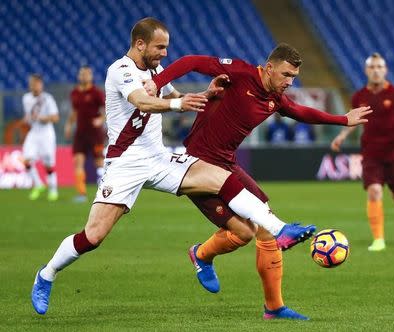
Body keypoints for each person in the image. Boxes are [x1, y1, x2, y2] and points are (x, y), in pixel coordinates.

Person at [30, 18, 317, 316]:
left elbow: (172, 96)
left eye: (166, 47)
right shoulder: (120, 70)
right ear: (140, 44)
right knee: (93, 236)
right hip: (125, 163)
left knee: (221, 177)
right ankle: (46, 274)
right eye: (160, 47)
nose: (165, 54)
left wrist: (205, 95)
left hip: (159, 158)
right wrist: (177, 106)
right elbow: (143, 101)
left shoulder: (155, 71)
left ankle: (279, 228)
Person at [149, 43, 372, 320]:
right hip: (198, 166)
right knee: (244, 233)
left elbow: (300, 112)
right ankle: (201, 255)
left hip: (228, 164)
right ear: (269, 68)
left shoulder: (275, 98)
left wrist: (342, 120)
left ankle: (274, 307)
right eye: (285, 75)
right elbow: (193, 60)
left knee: (264, 225)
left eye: (293, 77)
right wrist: (156, 83)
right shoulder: (240, 73)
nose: (289, 82)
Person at [330, 53, 394, 252]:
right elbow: (354, 121)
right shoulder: (359, 96)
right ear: (366, 71)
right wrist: (342, 136)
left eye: (380, 67)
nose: (376, 70)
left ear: (385, 70)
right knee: (374, 191)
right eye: (373, 67)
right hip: (371, 155)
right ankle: (378, 239)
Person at [65, 66, 106, 202]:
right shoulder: (74, 93)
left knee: (99, 161)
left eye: (87, 74)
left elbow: (107, 108)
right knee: (78, 162)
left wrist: (101, 119)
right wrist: (69, 125)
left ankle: (103, 191)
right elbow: (75, 111)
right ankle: (81, 193)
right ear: (78, 76)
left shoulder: (96, 93)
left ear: (91, 76)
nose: (84, 76)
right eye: (82, 74)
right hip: (80, 134)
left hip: (95, 134)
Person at [22, 74, 59, 201]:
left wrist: (43, 118)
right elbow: (29, 116)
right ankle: (38, 184)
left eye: (37, 83)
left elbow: (55, 118)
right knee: (26, 161)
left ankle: (53, 190)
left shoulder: (47, 99)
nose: (35, 86)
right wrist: (26, 120)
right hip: (33, 133)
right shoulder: (26, 98)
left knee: (48, 164)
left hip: (46, 134)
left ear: (41, 85)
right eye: (32, 83)